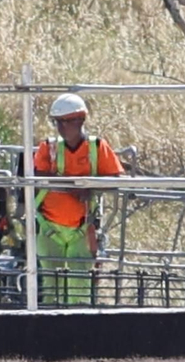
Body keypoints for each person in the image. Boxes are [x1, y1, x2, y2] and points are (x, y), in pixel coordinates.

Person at [32, 93, 124, 305]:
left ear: (81, 120)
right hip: (48, 227)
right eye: (57, 122)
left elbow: (116, 178)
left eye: (66, 121)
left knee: (80, 289)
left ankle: (76, 323)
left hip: (81, 229)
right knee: (50, 288)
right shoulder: (49, 147)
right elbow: (37, 175)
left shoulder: (96, 147)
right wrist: (72, 186)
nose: (61, 127)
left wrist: (90, 188)